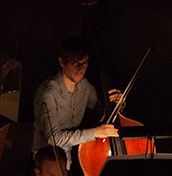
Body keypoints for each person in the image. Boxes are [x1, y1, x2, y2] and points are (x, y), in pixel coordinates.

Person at [32, 36, 122, 167]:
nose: (81, 69)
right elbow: (54, 138)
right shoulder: (48, 93)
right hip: (48, 161)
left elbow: (102, 107)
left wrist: (118, 102)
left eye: (84, 63)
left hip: (72, 159)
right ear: (62, 62)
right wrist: (95, 133)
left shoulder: (84, 86)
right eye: (75, 64)